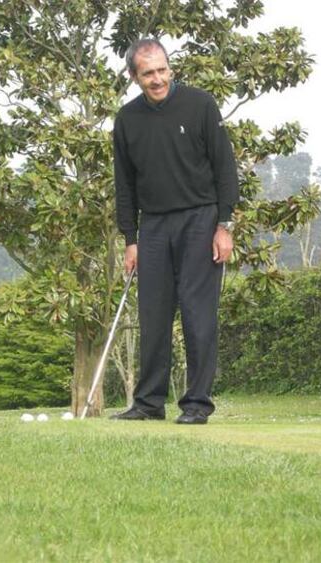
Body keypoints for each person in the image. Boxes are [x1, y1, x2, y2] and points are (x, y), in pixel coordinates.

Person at [111, 38, 239, 424]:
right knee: (153, 316)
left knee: (198, 315)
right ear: (134, 76)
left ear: (170, 68)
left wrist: (225, 225)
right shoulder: (126, 119)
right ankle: (149, 404)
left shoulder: (200, 104)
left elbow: (224, 166)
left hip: (200, 219)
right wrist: (130, 240)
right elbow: (125, 185)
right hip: (152, 226)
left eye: (162, 69)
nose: (158, 79)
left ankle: (197, 404)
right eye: (148, 73)